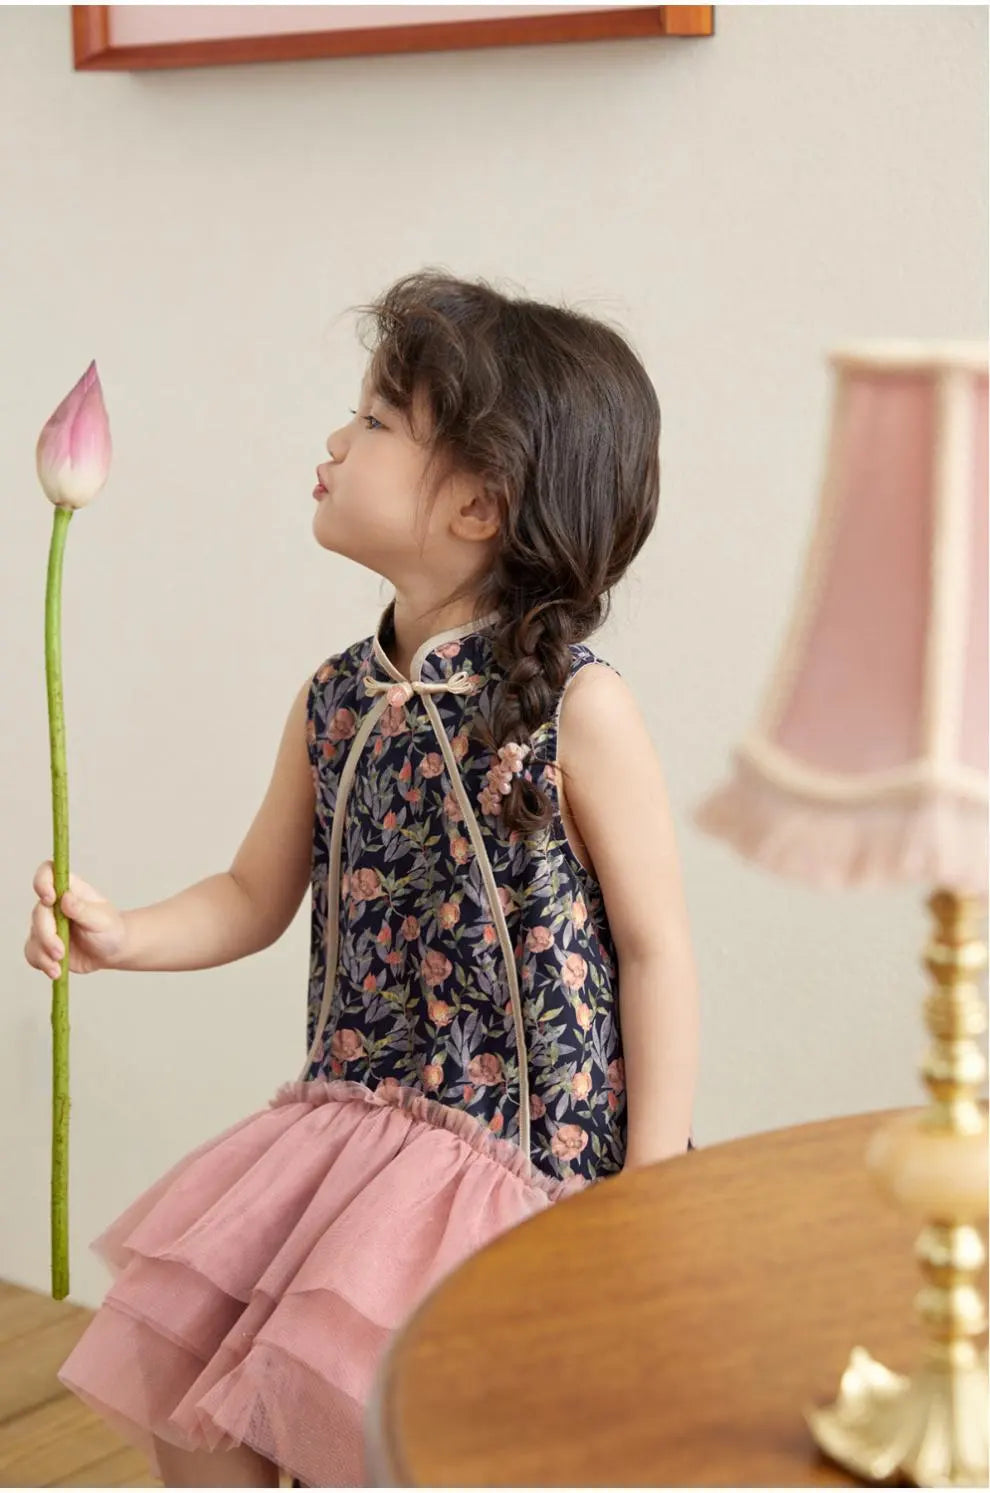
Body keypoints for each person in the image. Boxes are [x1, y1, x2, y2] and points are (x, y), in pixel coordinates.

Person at [24, 268, 700, 1489]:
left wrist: (646, 1195)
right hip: (346, 1131)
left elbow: (654, 949)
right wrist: (123, 936)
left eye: (378, 420)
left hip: (515, 1162)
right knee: (205, 1416)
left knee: (404, 1443)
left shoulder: (578, 711)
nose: (337, 439)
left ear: (482, 504)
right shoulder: (339, 698)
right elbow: (251, 891)